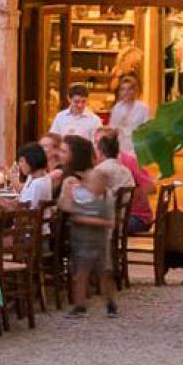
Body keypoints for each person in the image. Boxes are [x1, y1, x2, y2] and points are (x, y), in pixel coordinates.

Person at [60, 135, 116, 318]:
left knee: (103, 272)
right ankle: (80, 305)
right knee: (81, 273)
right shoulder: (71, 182)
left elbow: (105, 212)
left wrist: (81, 215)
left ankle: (110, 302)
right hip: (81, 238)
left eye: (64, 151)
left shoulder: (91, 182)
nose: (59, 155)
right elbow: (65, 205)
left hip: (95, 238)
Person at [106, 75, 150, 155]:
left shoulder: (143, 108)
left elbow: (147, 130)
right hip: (121, 148)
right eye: (123, 89)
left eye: (129, 89)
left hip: (137, 147)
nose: (126, 92)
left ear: (135, 91)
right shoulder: (117, 108)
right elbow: (112, 130)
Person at [14, 143, 53, 209]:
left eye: (21, 161)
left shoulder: (38, 183)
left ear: (32, 160)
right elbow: (22, 198)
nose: (19, 165)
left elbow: (29, 210)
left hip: (30, 217)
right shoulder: (32, 177)